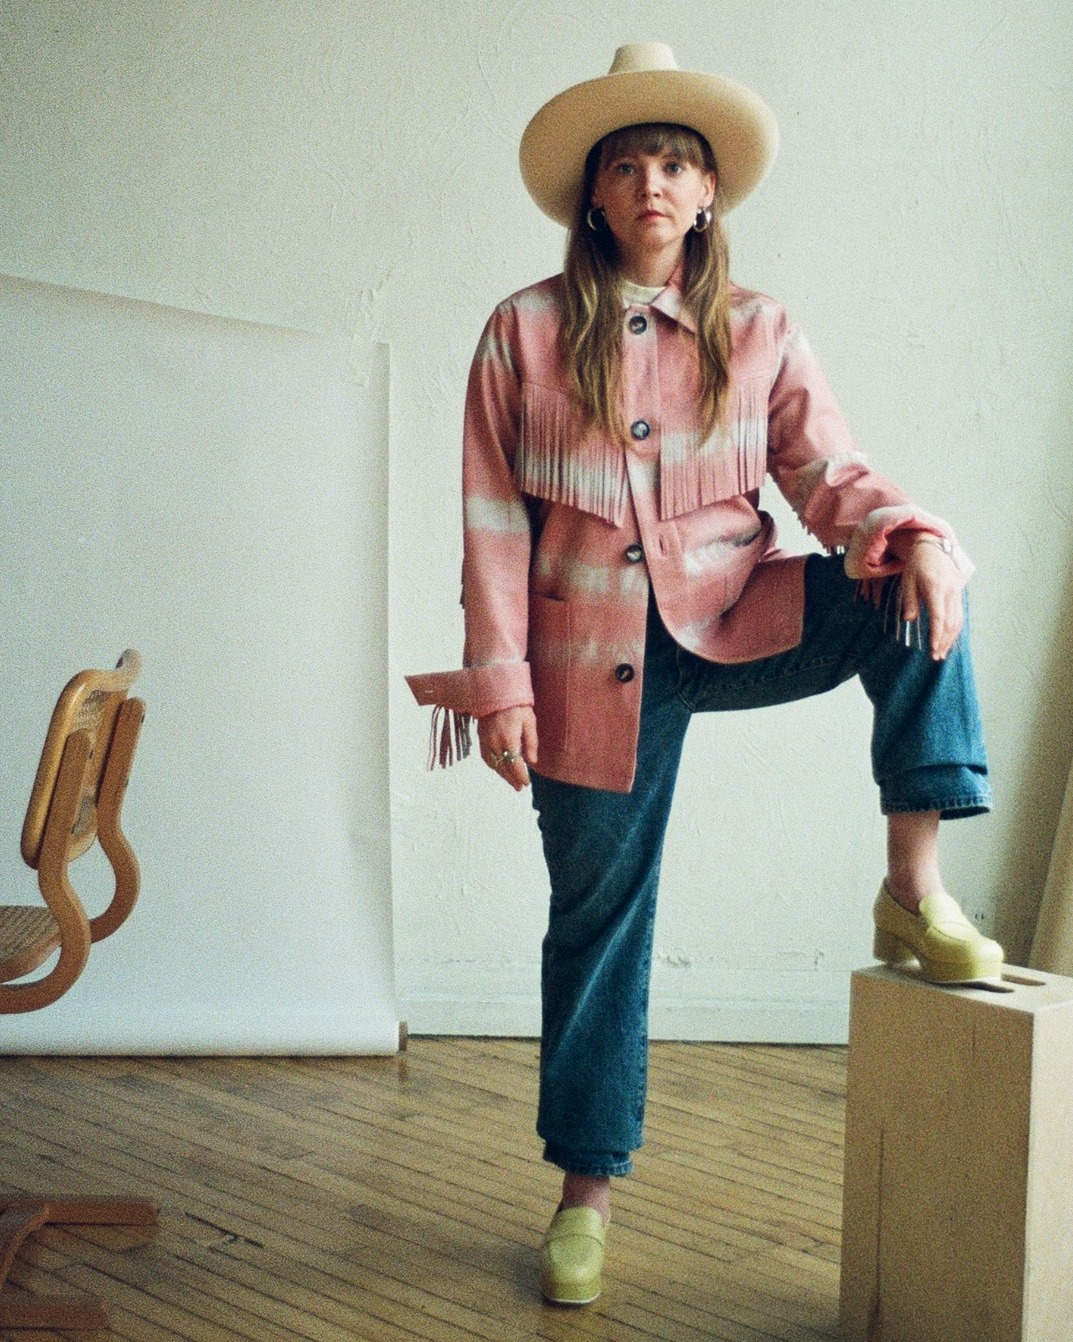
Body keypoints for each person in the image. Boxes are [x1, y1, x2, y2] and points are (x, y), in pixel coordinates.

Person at [407, 41, 1001, 1307]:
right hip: (584, 660)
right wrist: (499, 682)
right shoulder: (521, 332)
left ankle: (911, 885)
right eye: (628, 165)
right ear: (595, 193)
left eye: (675, 163)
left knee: (916, 581)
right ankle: (584, 1197)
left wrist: (912, 532)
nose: (653, 184)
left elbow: (829, 477)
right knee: (597, 920)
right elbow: (490, 520)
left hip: (734, 615)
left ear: (708, 191)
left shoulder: (758, 330)